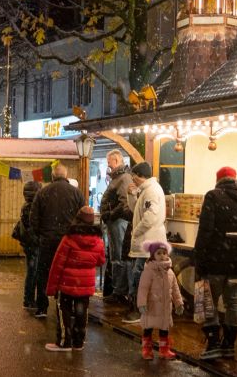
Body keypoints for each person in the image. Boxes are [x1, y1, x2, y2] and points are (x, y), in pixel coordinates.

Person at [193, 166, 237, 360]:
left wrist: (199, 255)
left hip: (214, 259)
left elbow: (205, 230)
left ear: (218, 179)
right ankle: (229, 344)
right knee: (233, 301)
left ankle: (213, 343)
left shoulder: (213, 196)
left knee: (207, 301)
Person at [44, 206, 106, 352]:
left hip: (67, 283)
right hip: (86, 284)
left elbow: (57, 263)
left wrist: (51, 287)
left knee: (64, 310)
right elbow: (101, 261)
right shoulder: (98, 241)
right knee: (81, 311)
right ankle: (78, 342)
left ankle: (65, 342)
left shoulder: (69, 238)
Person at [28, 164, 83, 318]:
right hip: (69, 241)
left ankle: (42, 307)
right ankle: (67, 306)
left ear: (52, 176)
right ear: (66, 176)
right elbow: (82, 218)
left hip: (48, 240)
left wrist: (40, 235)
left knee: (43, 273)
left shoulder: (42, 193)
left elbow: (34, 218)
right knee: (68, 273)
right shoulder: (76, 193)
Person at [124, 161, 167, 324]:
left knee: (139, 276)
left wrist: (136, 232)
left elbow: (150, 217)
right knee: (141, 276)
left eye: (134, 177)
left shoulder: (151, 191)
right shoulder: (146, 191)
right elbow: (136, 209)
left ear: (140, 176)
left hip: (148, 242)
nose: (133, 180)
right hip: (146, 241)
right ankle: (140, 308)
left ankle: (139, 310)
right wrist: (131, 195)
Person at [137, 240, 183, 360]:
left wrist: (178, 303)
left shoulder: (170, 272)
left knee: (164, 329)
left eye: (164, 253)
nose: (162, 255)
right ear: (153, 256)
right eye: (159, 253)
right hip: (151, 306)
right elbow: (143, 288)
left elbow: (175, 289)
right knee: (148, 328)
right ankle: (146, 349)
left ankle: (164, 349)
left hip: (165, 308)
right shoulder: (148, 271)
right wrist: (141, 303)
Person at [99, 150, 132, 306]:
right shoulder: (118, 178)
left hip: (118, 222)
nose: (108, 165)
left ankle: (119, 291)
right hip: (115, 222)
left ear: (117, 160)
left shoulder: (123, 178)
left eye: (109, 162)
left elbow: (124, 202)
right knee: (116, 257)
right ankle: (117, 290)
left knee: (118, 257)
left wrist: (110, 214)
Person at [13, 180, 42, 310]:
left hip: (28, 243)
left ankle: (29, 299)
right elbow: (34, 226)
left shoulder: (27, 205)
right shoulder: (33, 207)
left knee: (32, 271)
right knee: (33, 272)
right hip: (33, 243)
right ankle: (29, 300)